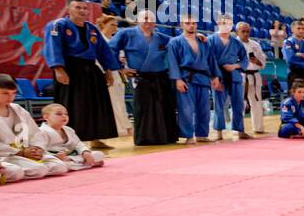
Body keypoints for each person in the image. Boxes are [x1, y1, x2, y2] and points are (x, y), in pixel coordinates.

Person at [43, 0, 123, 149]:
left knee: (96, 104)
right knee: (72, 105)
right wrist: (58, 68)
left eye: (85, 8)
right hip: (69, 69)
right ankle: (69, 141)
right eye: (78, 7)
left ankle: (95, 138)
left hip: (91, 69)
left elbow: (103, 51)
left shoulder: (92, 28)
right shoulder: (58, 25)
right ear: (69, 10)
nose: (82, 11)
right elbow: (52, 47)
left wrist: (108, 70)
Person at [0, 75, 67, 179]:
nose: (10, 97)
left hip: (21, 153)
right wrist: (19, 152)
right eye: (5, 93)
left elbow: (35, 133)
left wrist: (37, 148)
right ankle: (12, 170)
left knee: (59, 167)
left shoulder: (18, 109)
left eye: (13, 93)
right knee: (27, 171)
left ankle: (18, 170)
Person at [109, 10, 178, 145]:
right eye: (145, 19)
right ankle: (145, 138)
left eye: (151, 19)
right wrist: (121, 68)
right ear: (138, 21)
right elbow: (111, 49)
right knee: (143, 108)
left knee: (163, 107)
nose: (148, 22)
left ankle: (166, 137)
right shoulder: (126, 34)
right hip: (140, 77)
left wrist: (197, 35)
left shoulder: (161, 38)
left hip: (160, 77)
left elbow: (179, 42)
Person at [166, 13, 222, 144]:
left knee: (204, 109)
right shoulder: (175, 42)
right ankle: (188, 135)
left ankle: (202, 134)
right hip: (186, 79)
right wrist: (177, 79)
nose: (191, 25)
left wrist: (215, 76)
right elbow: (172, 62)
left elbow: (211, 60)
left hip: (202, 78)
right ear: (181, 25)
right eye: (188, 23)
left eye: (194, 23)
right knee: (186, 109)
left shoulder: (203, 42)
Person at [208, 15, 248, 141]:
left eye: (230, 24)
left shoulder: (236, 42)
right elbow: (207, 59)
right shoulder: (211, 40)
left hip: (234, 75)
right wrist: (213, 76)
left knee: (238, 104)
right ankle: (219, 132)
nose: (228, 26)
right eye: (225, 23)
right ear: (219, 23)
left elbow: (244, 59)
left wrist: (235, 65)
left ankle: (240, 131)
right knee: (219, 105)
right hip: (218, 75)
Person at [31, 103, 104, 170]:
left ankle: (82, 163)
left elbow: (78, 144)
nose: (64, 116)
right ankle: (88, 164)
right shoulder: (41, 131)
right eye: (59, 114)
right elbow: (40, 151)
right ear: (46, 117)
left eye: (66, 114)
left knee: (98, 154)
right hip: (55, 158)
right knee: (57, 165)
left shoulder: (69, 130)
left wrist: (85, 152)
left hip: (70, 156)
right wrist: (56, 156)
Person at [95, 15, 132, 139]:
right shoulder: (99, 39)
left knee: (119, 100)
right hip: (107, 72)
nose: (115, 27)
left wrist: (122, 63)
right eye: (112, 24)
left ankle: (122, 127)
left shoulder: (114, 40)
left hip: (118, 74)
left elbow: (121, 58)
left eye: (116, 25)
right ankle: (123, 128)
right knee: (114, 101)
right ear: (103, 25)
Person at [236, 22, 269, 135]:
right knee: (240, 103)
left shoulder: (255, 44)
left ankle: (258, 127)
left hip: (255, 75)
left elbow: (263, 61)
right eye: (243, 31)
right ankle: (238, 129)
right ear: (237, 32)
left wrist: (258, 61)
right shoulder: (234, 44)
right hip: (241, 75)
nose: (246, 33)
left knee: (256, 102)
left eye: (247, 31)